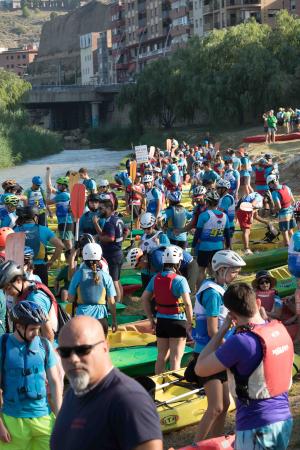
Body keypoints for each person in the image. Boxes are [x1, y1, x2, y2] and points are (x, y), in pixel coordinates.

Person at [195, 283, 294, 450]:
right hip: (284, 420)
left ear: (231, 315)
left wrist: (222, 330)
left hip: (255, 425)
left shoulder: (240, 342)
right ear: (258, 303)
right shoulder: (280, 329)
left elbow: (200, 368)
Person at [51, 316, 163, 450]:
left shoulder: (129, 401)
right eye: (65, 352)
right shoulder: (72, 394)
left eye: (83, 350)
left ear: (105, 347)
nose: (73, 359)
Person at [188, 250, 245, 441]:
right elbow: (213, 330)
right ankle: (197, 445)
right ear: (221, 270)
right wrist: (231, 347)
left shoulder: (217, 288)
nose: (236, 275)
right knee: (215, 407)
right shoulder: (212, 293)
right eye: (234, 271)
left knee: (225, 403)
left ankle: (215, 442)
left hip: (219, 353)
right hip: (208, 354)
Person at [0, 301, 62, 450]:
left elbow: (55, 382)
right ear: (19, 326)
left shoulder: (45, 346)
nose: (37, 333)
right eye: (33, 329)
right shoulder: (3, 345)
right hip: (13, 420)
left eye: (38, 329)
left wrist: (60, 416)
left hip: (44, 419)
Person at [141, 246, 193, 374]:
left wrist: (150, 319)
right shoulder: (180, 280)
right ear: (178, 263)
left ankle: (158, 385)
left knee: (161, 356)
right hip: (177, 322)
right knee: (175, 358)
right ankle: (172, 386)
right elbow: (187, 303)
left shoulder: (155, 278)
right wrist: (190, 322)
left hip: (161, 322)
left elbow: (144, 298)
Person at [0, 260, 58, 342]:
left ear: (19, 280)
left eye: (9, 288)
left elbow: (49, 336)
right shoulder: (22, 291)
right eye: (5, 290)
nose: (8, 293)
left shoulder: (35, 298)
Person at [68, 243, 117, 335]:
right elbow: (111, 302)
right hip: (101, 318)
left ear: (83, 256)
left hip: (82, 318)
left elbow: (70, 299)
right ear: (100, 257)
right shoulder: (106, 277)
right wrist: (114, 321)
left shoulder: (77, 275)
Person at [14, 206, 64, 285]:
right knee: (42, 293)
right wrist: (51, 261)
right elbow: (60, 245)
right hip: (40, 268)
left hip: (21, 268)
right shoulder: (44, 229)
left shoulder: (15, 230)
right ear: (35, 217)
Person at [192, 190, 230, 284]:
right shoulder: (225, 216)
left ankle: (199, 292)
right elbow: (227, 234)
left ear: (207, 202)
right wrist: (228, 246)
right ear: (218, 202)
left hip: (204, 248)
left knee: (201, 270)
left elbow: (198, 233)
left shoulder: (204, 215)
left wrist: (193, 246)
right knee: (216, 271)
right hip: (219, 247)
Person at [96, 197, 127, 303]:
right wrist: (121, 241)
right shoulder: (118, 219)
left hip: (112, 255)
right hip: (118, 253)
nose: (100, 211)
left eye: (101, 208)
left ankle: (117, 303)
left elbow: (110, 238)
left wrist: (99, 238)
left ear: (109, 208)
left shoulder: (109, 222)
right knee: (117, 280)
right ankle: (121, 301)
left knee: (114, 281)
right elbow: (126, 231)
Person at [47, 177, 73, 254]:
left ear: (64, 186)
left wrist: (46, 195)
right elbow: (50, 187)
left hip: (66, 221)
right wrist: (48, 174)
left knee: (67, 241)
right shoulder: (61, 193)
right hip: (61, 220)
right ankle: (67, 255)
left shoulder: (63, 195)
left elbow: (48, 202)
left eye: (59, 185)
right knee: (64, 239)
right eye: (57, 184)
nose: (57, 186)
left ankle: (71, 255)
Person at [267, 175, 295, 246]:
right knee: (291, 231)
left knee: (285, 234)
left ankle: (287, 249)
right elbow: (293, 201)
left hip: (283, 215)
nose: (269, 186)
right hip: (291, 212)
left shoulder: (274, 193)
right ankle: (295, 246)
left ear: (271, 183)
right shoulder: (286, 187)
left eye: (269, 184)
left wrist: (273, 211)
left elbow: (279, 207)